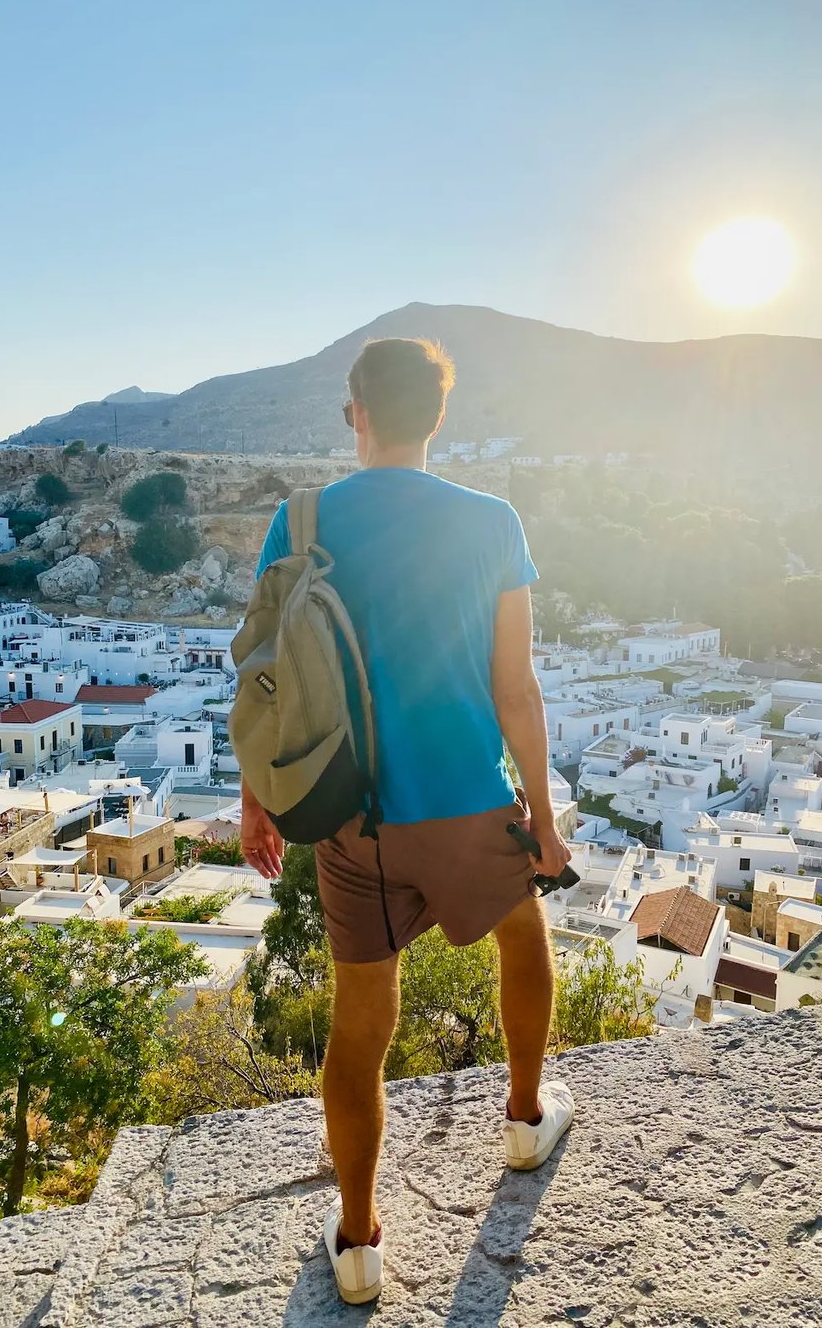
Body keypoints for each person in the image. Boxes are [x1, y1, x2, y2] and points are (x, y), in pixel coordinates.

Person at [241, 337, 573, 1306]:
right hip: (468, 799)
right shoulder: (490, 521)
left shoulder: (299, 519)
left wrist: (257, 801)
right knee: (523, 939)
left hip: (355, 816)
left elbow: (265, 677)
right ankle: (521, 1119)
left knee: (359, 1031)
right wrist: (543, 821)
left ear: (356, 413)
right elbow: (516, 687)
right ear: (438, 417)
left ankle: (357, 1243)